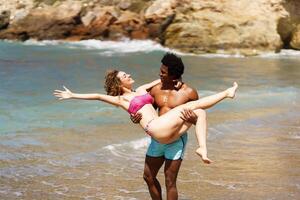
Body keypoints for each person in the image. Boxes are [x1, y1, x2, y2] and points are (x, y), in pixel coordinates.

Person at [53, 69, 237, 163]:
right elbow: (97, 96)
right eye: (125, 75)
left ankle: (202, 149)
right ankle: (226, 93)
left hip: (164, 131)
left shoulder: (141, 90)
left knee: (199, 112)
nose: (129, 75)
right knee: (192, 106)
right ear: (119, 82)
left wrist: (174, 75)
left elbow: (162, 79)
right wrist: (73, 95)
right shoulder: (120, 99)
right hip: (155, 129)